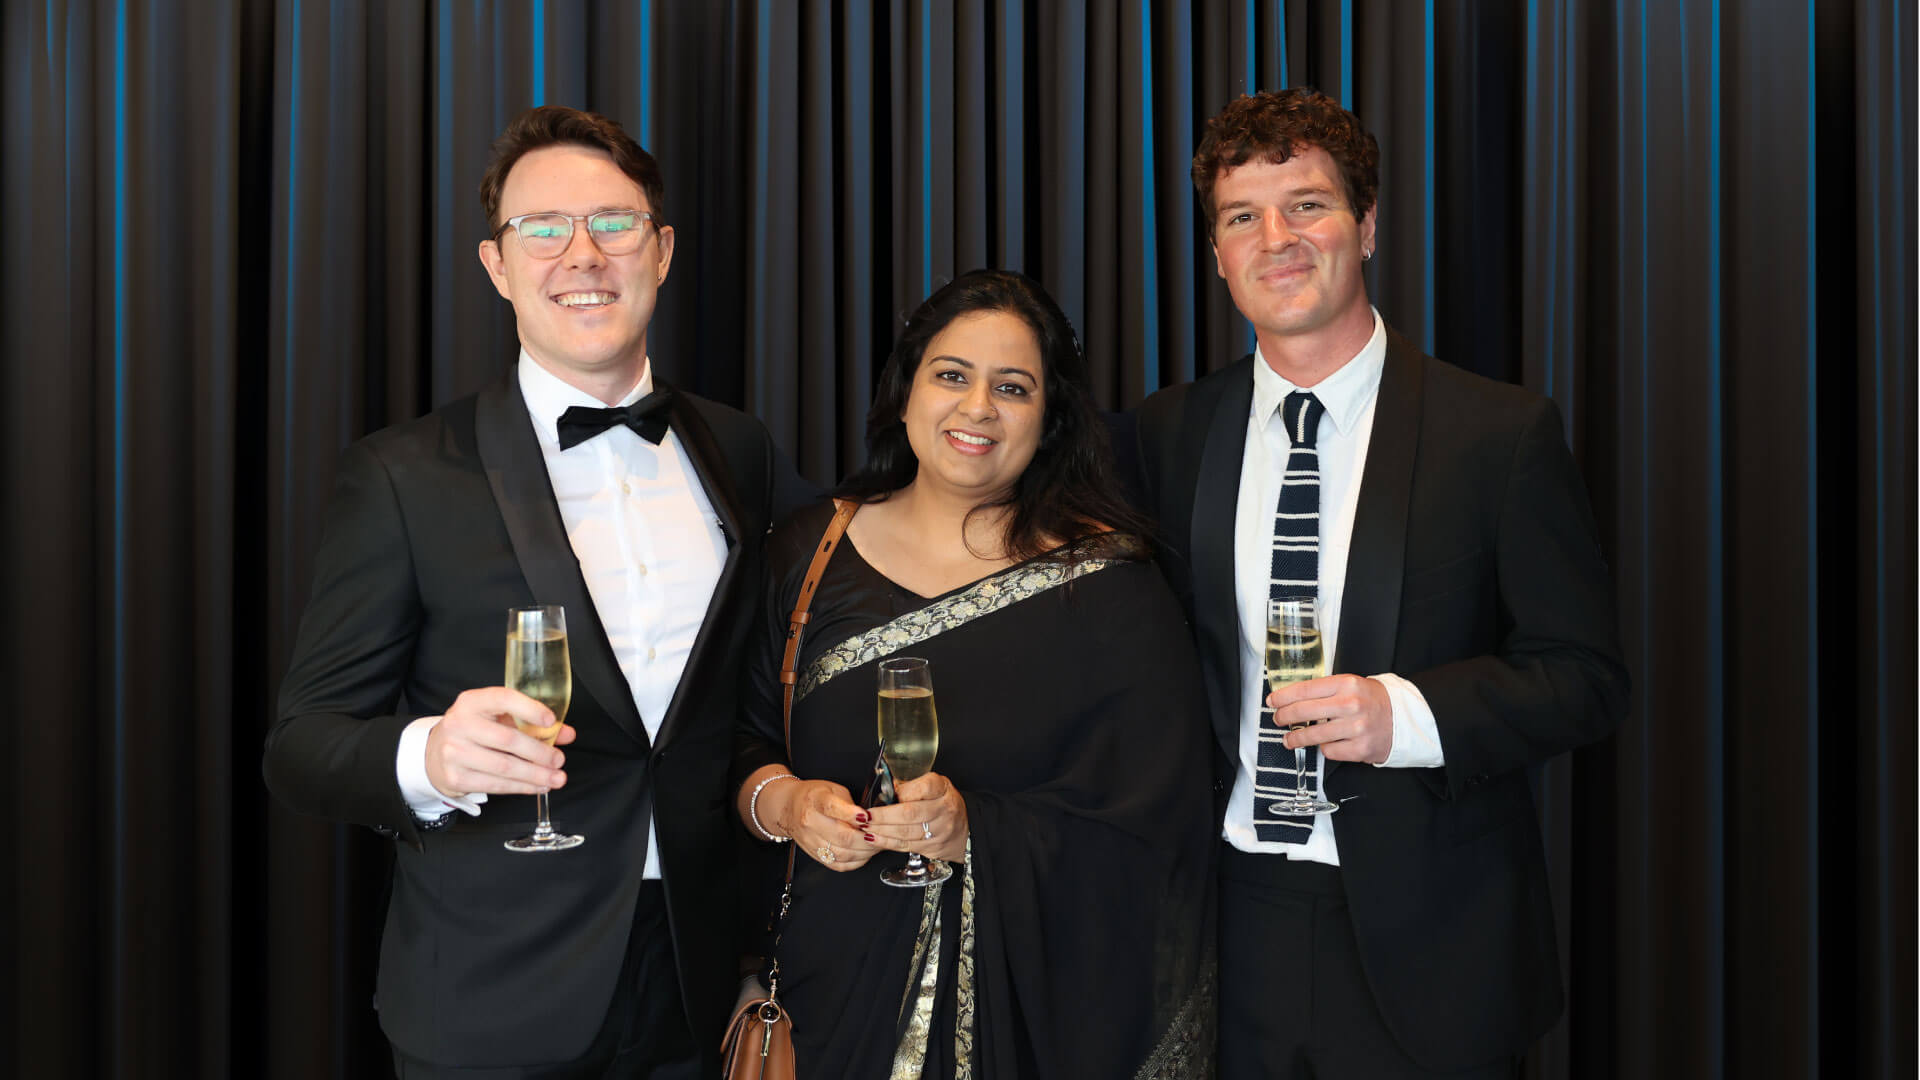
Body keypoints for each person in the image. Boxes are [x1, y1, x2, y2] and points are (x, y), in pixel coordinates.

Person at [264, 105, 812, 1077]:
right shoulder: (402, 476)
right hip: (491, 1002)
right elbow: (302, 747)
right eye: (543, 229)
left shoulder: (740, 448)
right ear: (497, 266)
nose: (583, 255)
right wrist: (430, 755)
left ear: (664, 249)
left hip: (692, 991)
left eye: (614, 223)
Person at [1129, 89, 1629, 1078]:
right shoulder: (1164, 434)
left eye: (1307, 205)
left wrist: (1404, 717)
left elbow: (1585, 676)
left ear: (1365, 225)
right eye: (1243, 217)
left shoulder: (1498, 434)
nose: (1278, 237)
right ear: (1219, 255)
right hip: (1226, 928)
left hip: (1433, 946)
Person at [731, 269, 1216, 1078]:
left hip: (1027, 1027)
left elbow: (1159, 836)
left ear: (1051, 417)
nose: (977, 408)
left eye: (1013, 387)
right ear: (907, 389)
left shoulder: (1109, 587)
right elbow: (736, 747)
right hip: (827, 998)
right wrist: (783, 803)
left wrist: (975, 833)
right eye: (951, 375)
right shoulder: (808, 553)